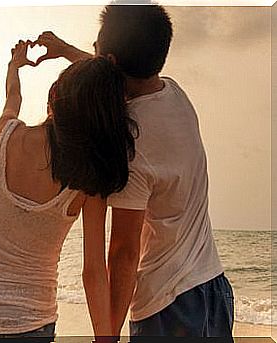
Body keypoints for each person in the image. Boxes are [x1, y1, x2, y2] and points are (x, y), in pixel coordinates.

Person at [33, 4, 234, 341]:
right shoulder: (174, 93)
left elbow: (124, 252)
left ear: (109, 61)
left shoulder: (132, 144)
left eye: (96, 50)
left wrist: (107, 334)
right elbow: (108, 75)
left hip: (169, 306)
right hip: (214, 289)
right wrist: (66, 50)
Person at [0, 39, 138, 342]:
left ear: (53, 97)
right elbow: (94, 271)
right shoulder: (88, 179)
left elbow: (12, 97)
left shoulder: (8, 136)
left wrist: (15, 66)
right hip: (29, 321)